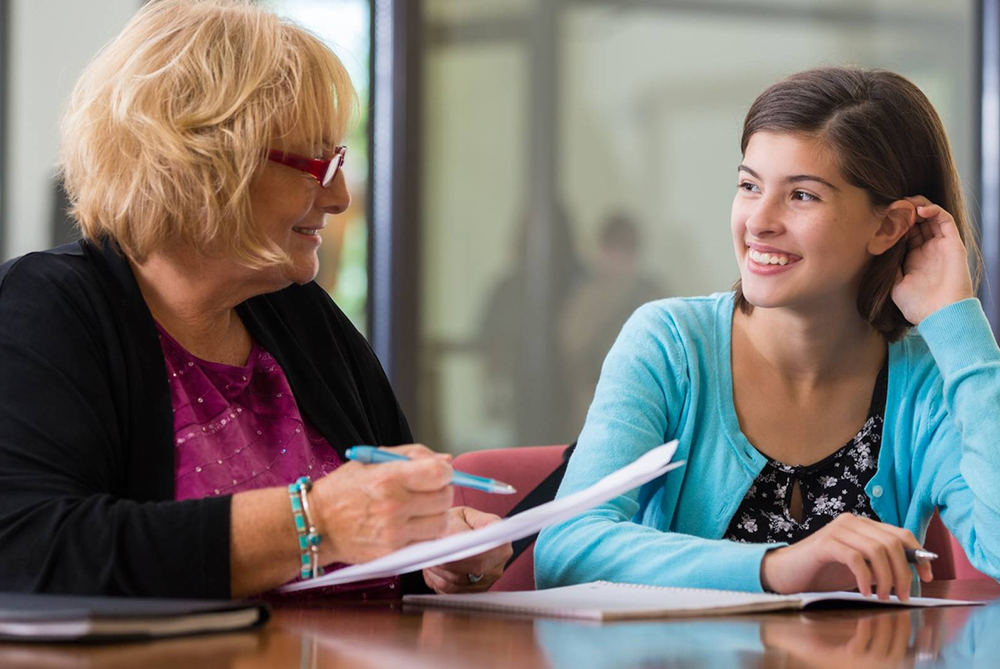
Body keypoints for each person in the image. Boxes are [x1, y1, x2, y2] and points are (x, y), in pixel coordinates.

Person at [0, 0, 510, 599]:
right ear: (203, 164)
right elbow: (27, 553)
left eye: (340, 160)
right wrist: (313, 523)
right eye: (319, 163)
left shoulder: (301, 315)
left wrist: (440, 549)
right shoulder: (47, 309)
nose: (341, 195)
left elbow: (386, 536)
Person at [535, 66, 1000, 600]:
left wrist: (958, 321)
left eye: (802, 196)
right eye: (749, 186)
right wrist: (779, 567)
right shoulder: (669, 344)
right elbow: (566, 550)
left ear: (887, 226)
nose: (758, 221)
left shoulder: (931, 377)